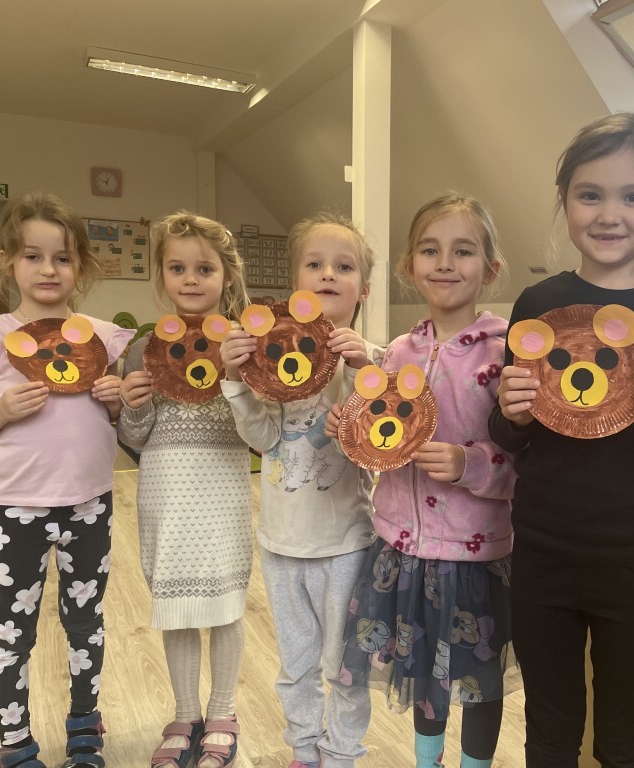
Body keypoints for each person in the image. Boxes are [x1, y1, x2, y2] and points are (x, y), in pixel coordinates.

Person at [489, 113, 634, 767]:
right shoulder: (538, 302)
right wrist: (512, 413)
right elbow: (507, 436)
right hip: (543, 553)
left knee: (626, 739)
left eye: (633, 196)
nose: (610, 214)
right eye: (590, 194)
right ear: (565, 201)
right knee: (550, 732)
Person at [330, 193, 520, 768]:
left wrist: (469, 464)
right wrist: (353, 430)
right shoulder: (396, 353)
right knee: (421, 672)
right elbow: (380, 442)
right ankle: (426, 762)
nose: (445, 263)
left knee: (478, 681)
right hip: (403, 549)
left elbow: (528, 458)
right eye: (430, 250)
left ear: (490, 268)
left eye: (463, 251)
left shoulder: (506, 351)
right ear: (409, 266)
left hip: (473, 553)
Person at [0, 191, 133, 768]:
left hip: (89, 504)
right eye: (33, 256)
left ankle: (85, 728)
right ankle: (14, 742)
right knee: (12, 631)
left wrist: (115, 402)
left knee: (85, 623)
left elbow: (118, 421)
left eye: (62, 258)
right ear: (8, 262)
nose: (48, 269)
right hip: (17, 509)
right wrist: (2, 412)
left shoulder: (101, 337)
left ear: (81, 265)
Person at [219, 212, 381, 768]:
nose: (328, 274)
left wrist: (360, 369)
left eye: (344, 266)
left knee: (346, 665)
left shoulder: (373, 359)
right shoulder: (275, 358)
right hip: (281, 542)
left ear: (364, 288)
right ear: (296, 284)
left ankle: (341, 754)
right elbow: (265, 439)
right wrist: (236, 380)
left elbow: (372, 441)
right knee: (296, 664)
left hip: (346, 544)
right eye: (315, 264)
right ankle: (305, 750)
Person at [117, 212, 253, 768]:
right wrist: (133, 405)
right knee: (175, 607)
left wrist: (239, 377)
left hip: (222, 488)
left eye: (205, 268)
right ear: (161, 276)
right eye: (177, 268)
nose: (191, 279)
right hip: (165, 492)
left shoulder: (245, 344)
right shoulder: (144, 349)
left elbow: (257, 434)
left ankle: (222, 712)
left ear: (227, 275)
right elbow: (134, 438)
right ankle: (186, 713)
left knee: (225, 605)